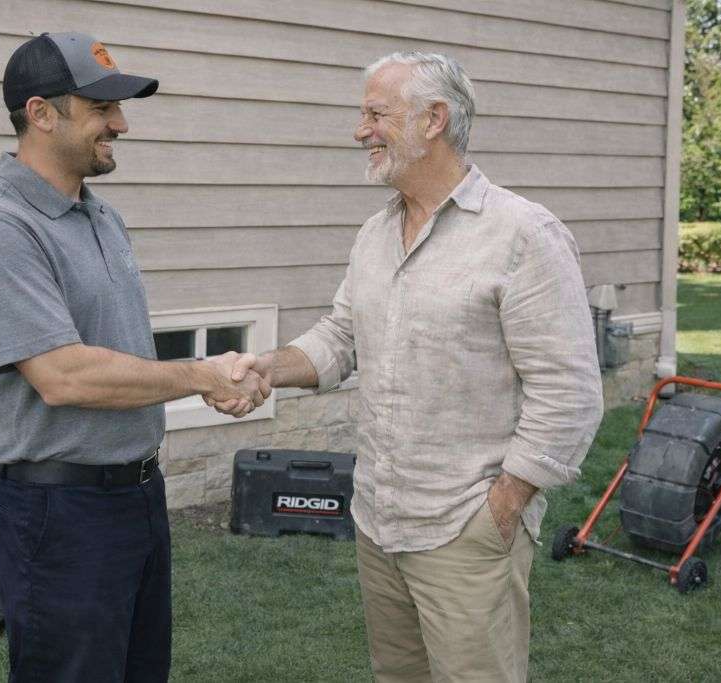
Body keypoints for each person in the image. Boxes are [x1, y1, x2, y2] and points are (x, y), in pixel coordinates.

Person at [220, 52, 604, 682]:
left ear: (434, 119)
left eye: (376, 113)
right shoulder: (375, 233)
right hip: (377, 520)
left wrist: (504, 506)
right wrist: (269, 367)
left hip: (466, 528)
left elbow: (569, 392)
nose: (360, 130)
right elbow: (341, 336)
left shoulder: (522, 235)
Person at [0, 32, 268, 682]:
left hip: (138, 498)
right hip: (60, 517)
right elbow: (62, 374)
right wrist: (201, 374)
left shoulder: (101, 217)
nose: (120, 123)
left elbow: (116, 354)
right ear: (41, 113)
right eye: (101, 108)